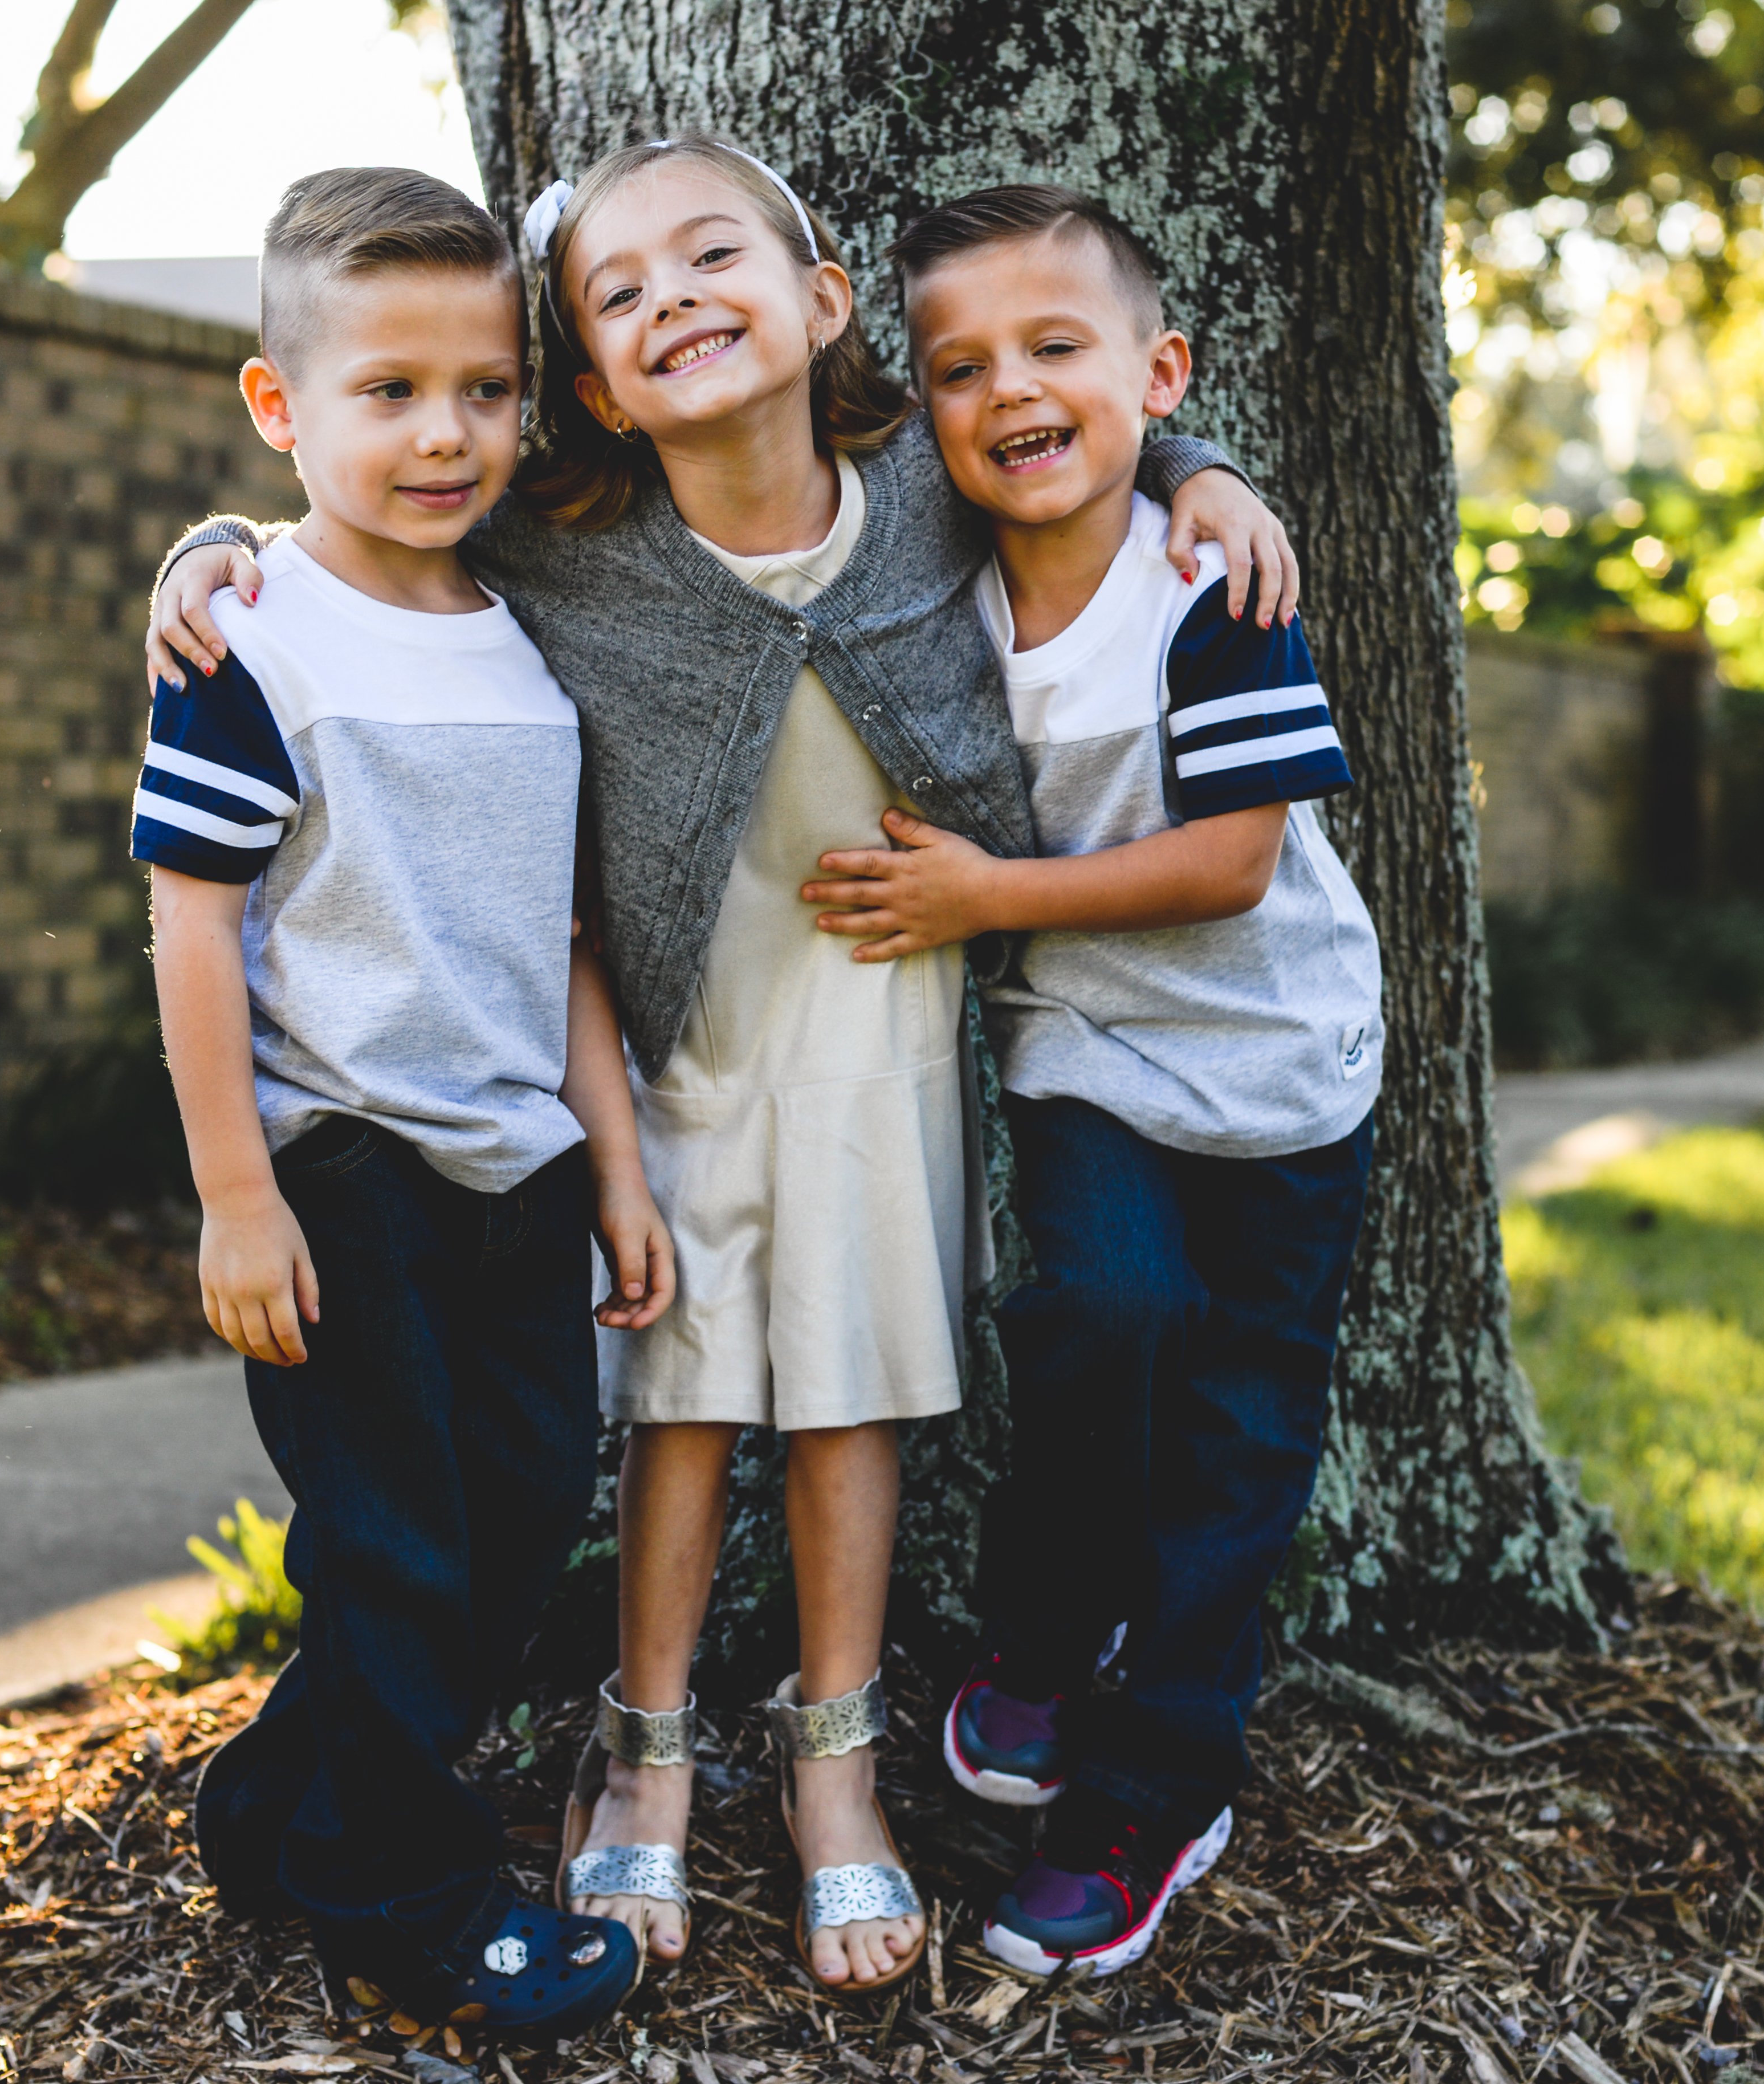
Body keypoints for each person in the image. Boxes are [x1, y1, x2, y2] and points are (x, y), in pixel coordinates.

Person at [145, 137, 1301, 1996]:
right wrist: (210, 554)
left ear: (825, 301)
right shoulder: (554, 549)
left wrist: (1204, 464)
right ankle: (644, 1752)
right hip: (669, 1041)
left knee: (856, 1389)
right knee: (675, 1399)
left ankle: (835, 1771)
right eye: (619, 293)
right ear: (587, 388)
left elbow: (1067, 428)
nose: (676, 296)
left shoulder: (927, 494)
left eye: (715, 258)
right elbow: (356, 533)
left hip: (882, 1023)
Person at [795, 183, 1384, 1980]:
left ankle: (1155, 1785)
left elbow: (1226, 864)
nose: (1012, 393)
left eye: (1058, 349)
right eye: (962, 368)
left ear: (1157, 369)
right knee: (1098, 1316)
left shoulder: (1213, 583)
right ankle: (1044, 1640)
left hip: (1284, 1069)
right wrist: (219, 552)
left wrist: (981, 900)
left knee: (1235, 1453)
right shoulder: (927, 585)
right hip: (1087, 1049)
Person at [131, 164, 676, 2045]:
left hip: (514, 1167)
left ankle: (281, 1813)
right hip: (338, 1170)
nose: (444, 433)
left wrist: (613, 1167)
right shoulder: (249, 638)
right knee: (397, 1547)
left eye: (484, 389)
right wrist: (234, 1194)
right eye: (387, 391)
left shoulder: (530, 646)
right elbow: (190, 929)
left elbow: (572, 939)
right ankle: (406, 1897)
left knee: (519, 1528)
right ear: (282, 409)